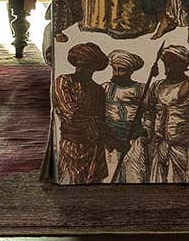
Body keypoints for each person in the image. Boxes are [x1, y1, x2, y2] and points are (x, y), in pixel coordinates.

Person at [53, 40, 110, 183]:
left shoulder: (98, 90)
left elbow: (101, 119)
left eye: (86, 66)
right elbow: (71, 113)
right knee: (72, 182)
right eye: (78, 65)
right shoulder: (63, 82)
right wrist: (94, 122)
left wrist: (112, 139)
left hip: (95, 149)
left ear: (94, 67)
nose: (80, 69)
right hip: (72, 146)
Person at [143, 42, 189, 185]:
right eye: (166, 62)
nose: (168, 66)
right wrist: (148, 129)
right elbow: (149, 111)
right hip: (159, 143)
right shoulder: (156, 86)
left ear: (183, 63)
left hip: (183, 145)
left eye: (173, 62)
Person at [103, 50, 147, 183]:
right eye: (114, 69)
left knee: (134, 176)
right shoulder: (105, 88)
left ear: (130, 71)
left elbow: (149, 113)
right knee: (110, 176)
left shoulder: (142, 89)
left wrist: (146, 131)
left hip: (134, 139)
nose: (116, 73)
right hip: (111, 139)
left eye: (121, 70)